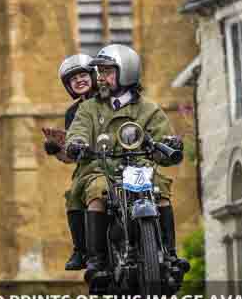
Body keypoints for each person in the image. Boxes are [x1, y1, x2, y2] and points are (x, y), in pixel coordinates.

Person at [65, 44, 187, 285]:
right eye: (100, 72)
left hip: (139, 165)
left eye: (108, 72)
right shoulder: (89, 108)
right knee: (97, 191)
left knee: (160, 191)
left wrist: (168, 144)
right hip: (100, 167)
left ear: (126, 72)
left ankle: (170, 255)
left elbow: (162, 137)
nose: (101, 78)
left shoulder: (148, 108)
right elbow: (78, 130)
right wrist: (77, 142)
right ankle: (97, 262)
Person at [43, 53, 96, 270]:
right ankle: (82, 250)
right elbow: (71, 155)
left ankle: (164, 249)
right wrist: (57, 148)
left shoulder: (111, 100)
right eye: (73, 79)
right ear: (68, 86)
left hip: (122, 159)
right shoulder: (72, 112)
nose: (79, 80)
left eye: (83, 75)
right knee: (74, 194)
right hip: (91, 166)